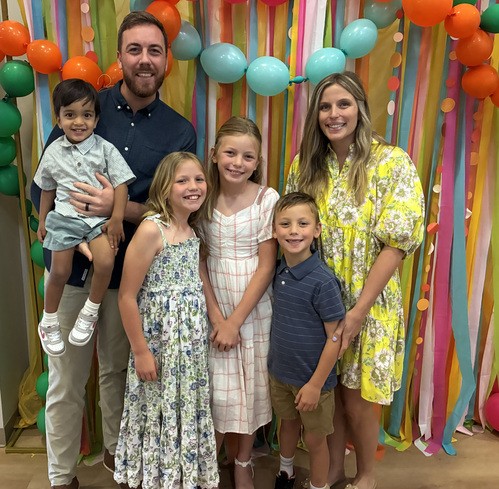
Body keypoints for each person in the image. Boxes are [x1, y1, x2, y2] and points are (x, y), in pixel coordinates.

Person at [31, 11, 196, 489]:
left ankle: (120, 463)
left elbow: (176, 210)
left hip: (130, 279)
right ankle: (60, 477)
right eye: (135, 49)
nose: (145, 60)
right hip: (69, 269)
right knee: (65, 380)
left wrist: (117, 209)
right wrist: (63, 230)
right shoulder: (83, 107)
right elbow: (44, 182)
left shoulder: (179, 131)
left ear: (166, 60)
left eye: (154, 51)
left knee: (118, 374)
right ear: (120, 56)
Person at [286, 71, 425, 489]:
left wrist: (359, 311)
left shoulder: (391, 162)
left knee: (359, 399)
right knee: (328, 394)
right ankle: (332, 471)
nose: (334, 114)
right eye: (325, 106)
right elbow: (293, 232)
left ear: (361, 109)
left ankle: (366, 476)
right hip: (318, 302)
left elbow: (397, 243)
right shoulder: (305, 166)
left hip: (370, 301)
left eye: (343, 104)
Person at [114, 152, 218, 489]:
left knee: (183, 408)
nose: (193, 186)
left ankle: (182, 477)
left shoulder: (192, 231)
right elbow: (126, 296)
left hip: (189, 351)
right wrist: (141, 351)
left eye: (198, 179)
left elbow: (199, 283)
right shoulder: (151, 229)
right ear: (164, 187)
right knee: (157, 410)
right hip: (159, 347)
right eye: (182, 180)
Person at [199, 116, 279, 489]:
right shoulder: (201, 196)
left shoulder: (267, 199)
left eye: (248, 157)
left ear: (257, 161)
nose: (238, 163)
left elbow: (266, 265)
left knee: (251, 386)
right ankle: (206, 466)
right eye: (230, 153)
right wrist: (218, 317)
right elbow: (199, 260)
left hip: (253, 308)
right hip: (211, 303)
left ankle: (243, 461)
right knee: (215, 390)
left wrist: (235, 321)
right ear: (214, 154)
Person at [34, 79, 136, 357]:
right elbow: (47, 187)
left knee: (106, 261)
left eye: (87, 115)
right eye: (70, 115)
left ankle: (89, 312)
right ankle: (49, 321)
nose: (79, 122)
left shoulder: (105, 149)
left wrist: (116, 218)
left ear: (96, 119)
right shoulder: (53, 151)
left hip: (97, 222)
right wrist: (42, 221)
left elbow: (121, 184)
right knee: (60, 271)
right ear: (59, 119)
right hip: (64, 218)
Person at [268, 192, 346, 489]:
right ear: (274, 230)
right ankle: (285, 473)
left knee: (315, 439)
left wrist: (315, 385)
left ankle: (318, 485)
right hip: (280, 374)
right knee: (287, 426)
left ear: (317, 230)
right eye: (285, 224)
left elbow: (334, 338)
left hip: (314, 381)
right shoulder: (278, 270)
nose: (294, 231)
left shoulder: (323, 281)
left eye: (302, 223)